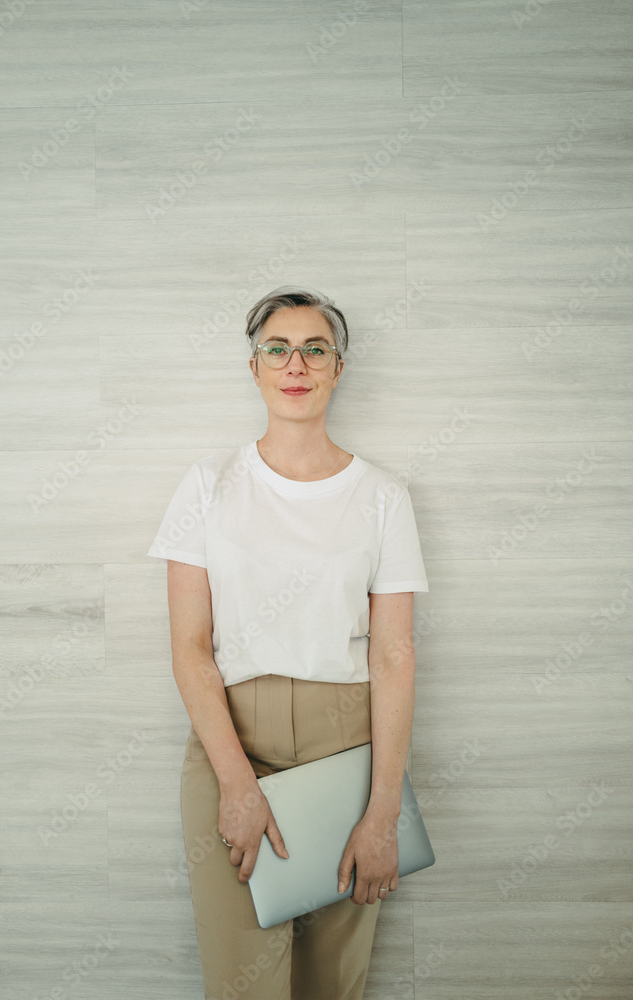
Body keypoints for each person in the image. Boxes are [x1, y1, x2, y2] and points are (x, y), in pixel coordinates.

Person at [147, 285, 429, 1000]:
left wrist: (383, 810)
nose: (295, 363)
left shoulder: (383, 497)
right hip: (229, 744)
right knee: (242, 981)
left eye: (315, 348)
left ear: (338, 368)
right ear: (254, 368)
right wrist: (237, 785)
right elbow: (190, 649)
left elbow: (393, 656)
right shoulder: (207, 486)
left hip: (347, 748)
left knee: (333, 980)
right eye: (277, 348)